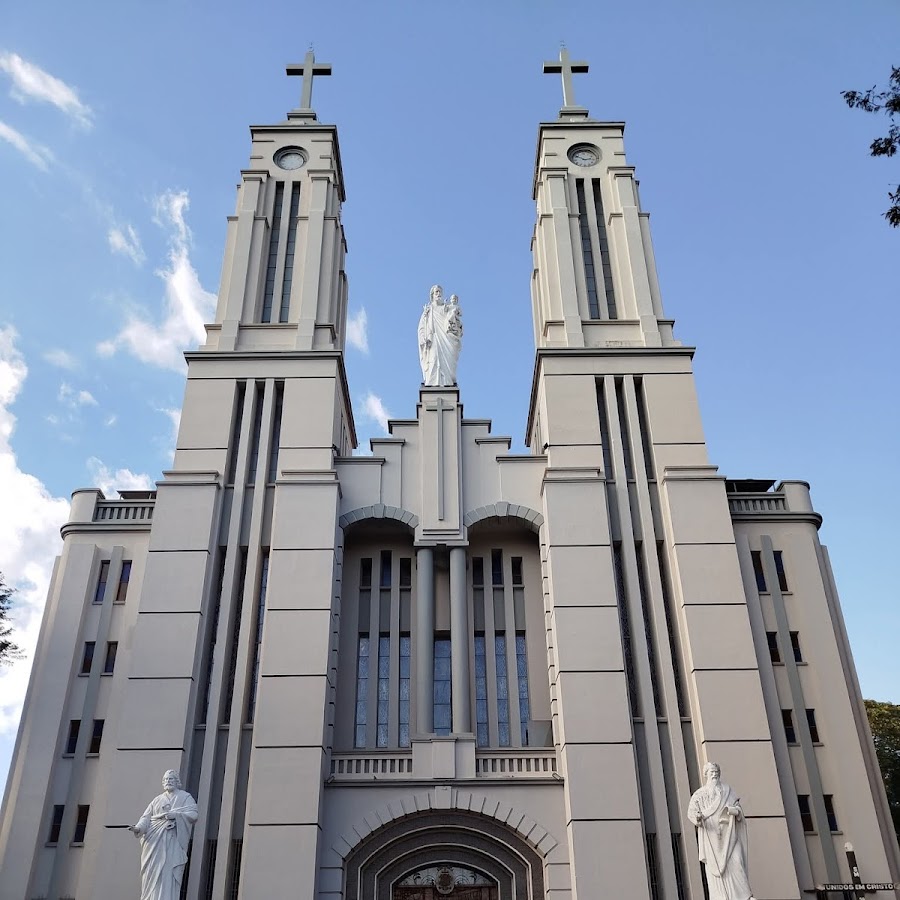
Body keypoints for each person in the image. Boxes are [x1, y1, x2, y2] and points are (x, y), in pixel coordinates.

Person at [687, 762, 755, 900]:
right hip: (711, 836)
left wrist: (734, 811)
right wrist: (698, 817)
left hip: (729, 835)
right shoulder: (699, 795)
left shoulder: (727, 790)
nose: (715, 774)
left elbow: (738, 809)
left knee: (737, 861)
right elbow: (691, 813)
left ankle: (745, 896)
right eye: (712, 772)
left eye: (716, 772)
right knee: (715, 871)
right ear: (706, 774)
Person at [128, 769, 198, 900]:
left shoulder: (185, 797)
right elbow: (146, 818)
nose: (168, 782)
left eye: (171, 779)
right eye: (166, 780)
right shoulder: (157, 800)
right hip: (155, 843)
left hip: (172, 843)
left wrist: (176, 815)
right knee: (152, 873)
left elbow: (194, 815)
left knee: (168, 873)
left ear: (177, 781)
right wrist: (138, 828)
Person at [418, 284, 463, 386]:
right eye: (436, 292)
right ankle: (433, 383)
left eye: (440, 292)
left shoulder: (446, 308)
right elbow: (421, 327)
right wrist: (424, 337)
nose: (438, 294)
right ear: (432, 295)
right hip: (433, 340)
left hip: (447, 340)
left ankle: (447, 382)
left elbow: (453, 322)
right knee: (433, 361)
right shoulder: (429, 310)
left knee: (448, 363)